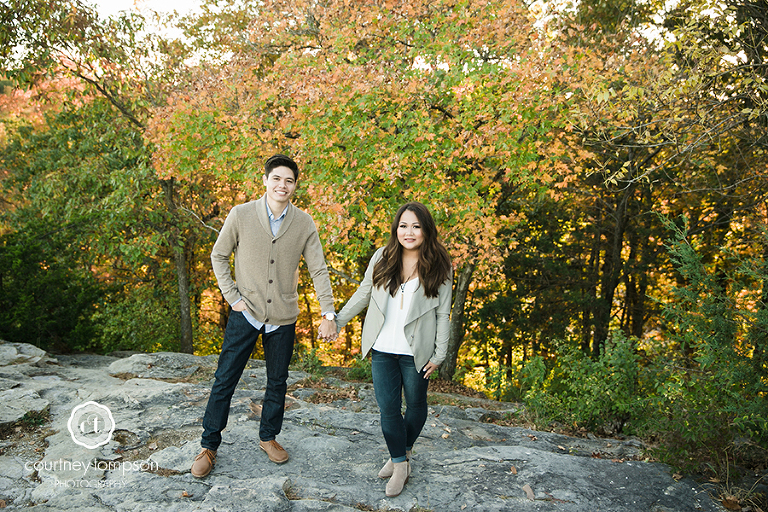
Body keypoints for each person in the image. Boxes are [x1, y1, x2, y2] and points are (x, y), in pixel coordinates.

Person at [191, 154, 338, 478]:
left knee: (277, 382)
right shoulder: (241, 215)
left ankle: (268, 437)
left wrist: (328, 312)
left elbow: (318, 268)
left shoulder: (304, 223)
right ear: (266, 180)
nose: (282, 185)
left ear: (294, 186)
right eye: (277, 179)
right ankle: (209, 445)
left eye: (289, 181)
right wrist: (232, 297)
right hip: (246, 314)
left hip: (283, 318)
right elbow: (218, 255)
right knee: (224, 380)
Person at [335, 202, 452, 497]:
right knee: (388, 409)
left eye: (415, 226)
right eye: (403, 226)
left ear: (426, 230)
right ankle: (400, 464)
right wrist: (337, 321)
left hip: (417, 352)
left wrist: (440, 354)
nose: (408, 232)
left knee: (415, 405)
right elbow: (364, 293)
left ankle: (404, 450)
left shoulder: (441, 264)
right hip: (382, 348)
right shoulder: (383, 257)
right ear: (395, 229)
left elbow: (442, 313)